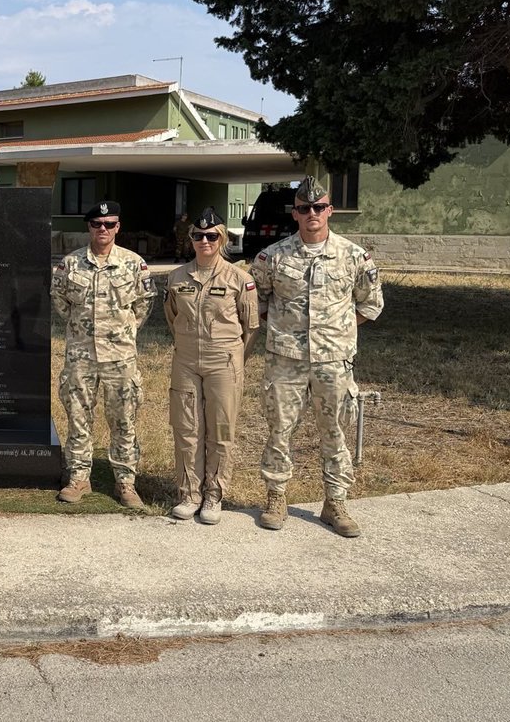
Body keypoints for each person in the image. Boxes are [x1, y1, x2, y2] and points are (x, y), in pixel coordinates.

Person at [251, 176, 384, 537]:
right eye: (305, 208)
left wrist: (337, 330)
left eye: (319, 207)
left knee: (335, 430)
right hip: (286, 359)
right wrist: (285, 328)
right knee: (280, 430)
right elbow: (257, 302)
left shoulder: (354, 256)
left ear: (330, 211)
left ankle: (335, 502)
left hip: (333, 361)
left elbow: (370, 304)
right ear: (294, 213)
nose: (312, 213)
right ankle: (276, 497)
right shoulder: (272, 257)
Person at [50, 200, 155, 508]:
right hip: (81, 356)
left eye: (110, 224)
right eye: (98, 224)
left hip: (120, 357)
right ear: (89, 227)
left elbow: (144, 304)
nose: (103, 229)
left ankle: (125, 482)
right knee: (79, 418)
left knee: (124, 420)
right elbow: (60, 302)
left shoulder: (134, 264)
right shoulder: (69, 265)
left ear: (118, 227)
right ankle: (79, 478)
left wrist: (125, 331)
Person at [163, 206, 259, 525]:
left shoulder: (240, 279)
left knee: (220, 429)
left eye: (211, 236)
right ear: (191, 239)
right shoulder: (177, 277)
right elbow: (172, 317)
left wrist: (234, 359)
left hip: (224, 362)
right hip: (186, 360)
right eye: (198, 235)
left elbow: (251, 326)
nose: (204, 241)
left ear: (222, 239)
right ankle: (189, 493)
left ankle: (214, 493)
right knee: (187, 428)